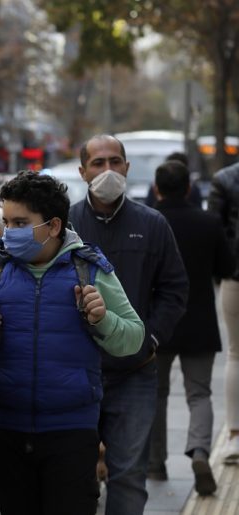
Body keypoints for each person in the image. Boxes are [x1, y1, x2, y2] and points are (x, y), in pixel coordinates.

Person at [0, 171, 144, 514]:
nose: (11, 233)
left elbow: (133, 338)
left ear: (53, 226)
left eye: (21, 222)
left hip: (72, 433)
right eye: (7, 222)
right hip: (6, 432)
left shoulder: (90, 271)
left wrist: (102, 319)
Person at [69, 134, 189, 515]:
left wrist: (150, 338)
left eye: (115, 161)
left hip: (134, 372)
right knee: (73, 475)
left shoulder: (152, 224)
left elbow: (174, 288)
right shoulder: (65, 225)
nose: (108, 170)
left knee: (128, 475)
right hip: (75, 372)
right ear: (82, 171)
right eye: (98, 163)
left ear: (127, 167)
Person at [148, 160, 233, 495]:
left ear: (157, 189)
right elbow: (227, 266)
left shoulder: (150, 222)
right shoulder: (209, 222)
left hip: (159, 323)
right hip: (199, 321)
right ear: (188, 188)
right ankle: (199, 451)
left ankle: (155, 463)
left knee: (155, 395)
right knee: (200, 394)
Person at [208, 159, 239, 464]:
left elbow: (214, 229)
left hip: (236, 277)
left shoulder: (225, 179)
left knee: (236, 353)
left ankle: (234, 436)